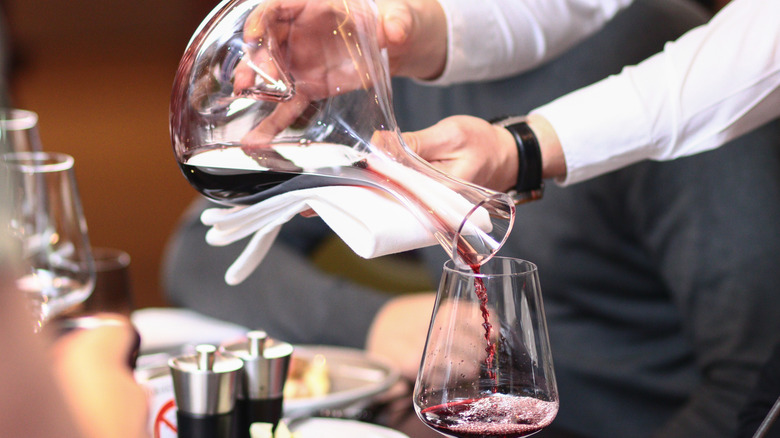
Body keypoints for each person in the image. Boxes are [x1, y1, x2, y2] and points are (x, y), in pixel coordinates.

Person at [164, 1, 780, 436]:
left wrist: (522, 150)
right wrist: (375, 322)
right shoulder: (366, 60)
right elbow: (202, 251)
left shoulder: (673, 54)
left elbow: (748, 378)